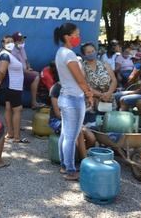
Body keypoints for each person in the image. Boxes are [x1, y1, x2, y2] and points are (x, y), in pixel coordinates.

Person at [53, 23, 93, 181]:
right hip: (73, 99)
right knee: (71, 136)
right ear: (68, 37)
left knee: (65, 133)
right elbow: (80, 79)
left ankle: (64, 165)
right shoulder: (68, 55)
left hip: (65, 97)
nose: (78, 37)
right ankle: (70, 169)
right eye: (77, 34)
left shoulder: (60, 52)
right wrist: (89, 93)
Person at [47, 82, 96, 161]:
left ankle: (79, 156)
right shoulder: (56, 88)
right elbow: (57, 114)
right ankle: (85, 161)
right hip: (58, 120)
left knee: (91, 138)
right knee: (78, 132)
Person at [0, 35, 27, 143]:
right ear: (3, 44)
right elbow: (2, 71)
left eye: (12, 41)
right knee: (18, 110)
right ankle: (16, 136)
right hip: (12, 87)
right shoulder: (5, 55)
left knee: (9, 108)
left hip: (13, 86)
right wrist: (0, 79)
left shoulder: (8, 54)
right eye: (8, 41)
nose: (10, 43)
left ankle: (11, 133)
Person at [81, 42, 118, 116]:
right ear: (84, 54)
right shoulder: (82, 67)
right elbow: (84, 84)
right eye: (88, 52)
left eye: (93, 51)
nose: (91, 53)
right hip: (92, 103)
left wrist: (108, 93)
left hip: (109, 100)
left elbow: (114, 80)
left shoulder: (104, 64)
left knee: (110, 123)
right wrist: (101, 95)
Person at [11, 32, 44, 110]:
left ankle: (33, 102)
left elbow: (26, 61)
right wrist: (30, 72)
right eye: (20, 41)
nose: (22, 42)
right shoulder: (12, 52)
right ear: (15, 42)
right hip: (17, 74)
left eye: (23, 40)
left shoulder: (22, 49)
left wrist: (29, 68)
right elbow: (18, 69)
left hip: (24, 72)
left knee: (35, 75)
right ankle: (33, 103)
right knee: (35, 76)